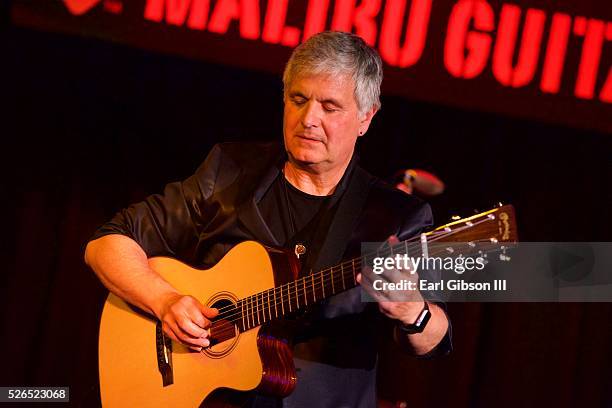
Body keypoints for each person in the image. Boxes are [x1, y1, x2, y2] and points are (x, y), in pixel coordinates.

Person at [85, 31, 451, 407]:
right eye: (299, 99)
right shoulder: (229, 171)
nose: (309, 119)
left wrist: (413, 311)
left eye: (329, 107)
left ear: (365, 118)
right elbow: (107, 242)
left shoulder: (397, 218)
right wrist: (164, 300)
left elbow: (436, 340)